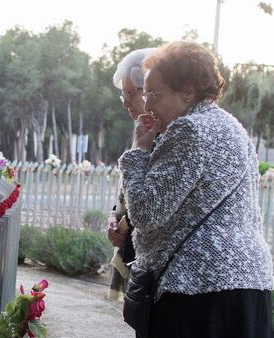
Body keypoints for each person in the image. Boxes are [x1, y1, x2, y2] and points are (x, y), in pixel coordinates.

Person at [119, 41, 274, 337]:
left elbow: (146, 212)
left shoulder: (189, 129)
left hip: (196, 290)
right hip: (248, 286)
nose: (147, 104)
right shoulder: (231, 127)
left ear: (187, 92)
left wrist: (138, 153)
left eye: (154, 93)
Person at [106, 48, 156, 301]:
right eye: (121, 95)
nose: (125, 102)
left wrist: (124, 226)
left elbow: (152, 201)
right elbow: (129, 190)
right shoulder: (142, 131)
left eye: (129, 93)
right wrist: (114, 218)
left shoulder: (168, 135)